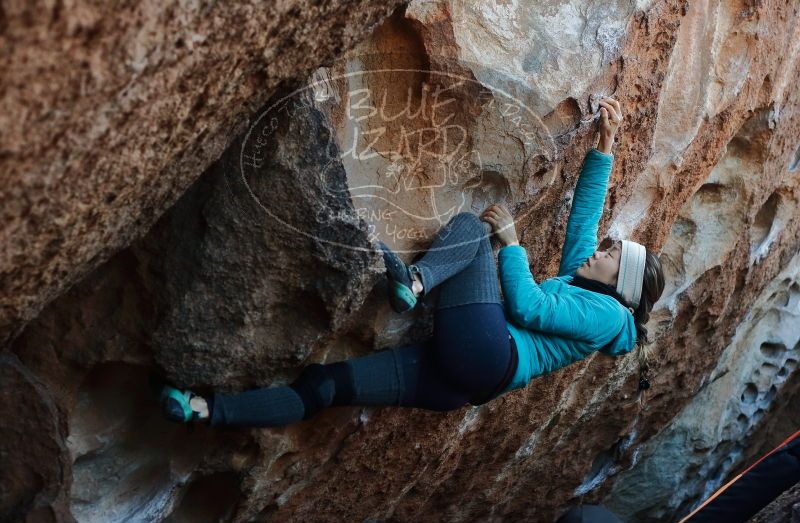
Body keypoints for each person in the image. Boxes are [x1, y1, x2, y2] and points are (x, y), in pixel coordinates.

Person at [159, 96, 666, 426]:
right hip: (459, 380)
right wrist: (606, 146)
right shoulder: (590, 289)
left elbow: (530, 308)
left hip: (492, 351)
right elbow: (583, 222)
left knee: (473, 229)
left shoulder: (607, 317)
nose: (599, 250)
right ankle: (205, 410)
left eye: (609, 255)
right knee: (326, 385)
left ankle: (417, 284)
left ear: (621, 283)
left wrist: (512, 243)